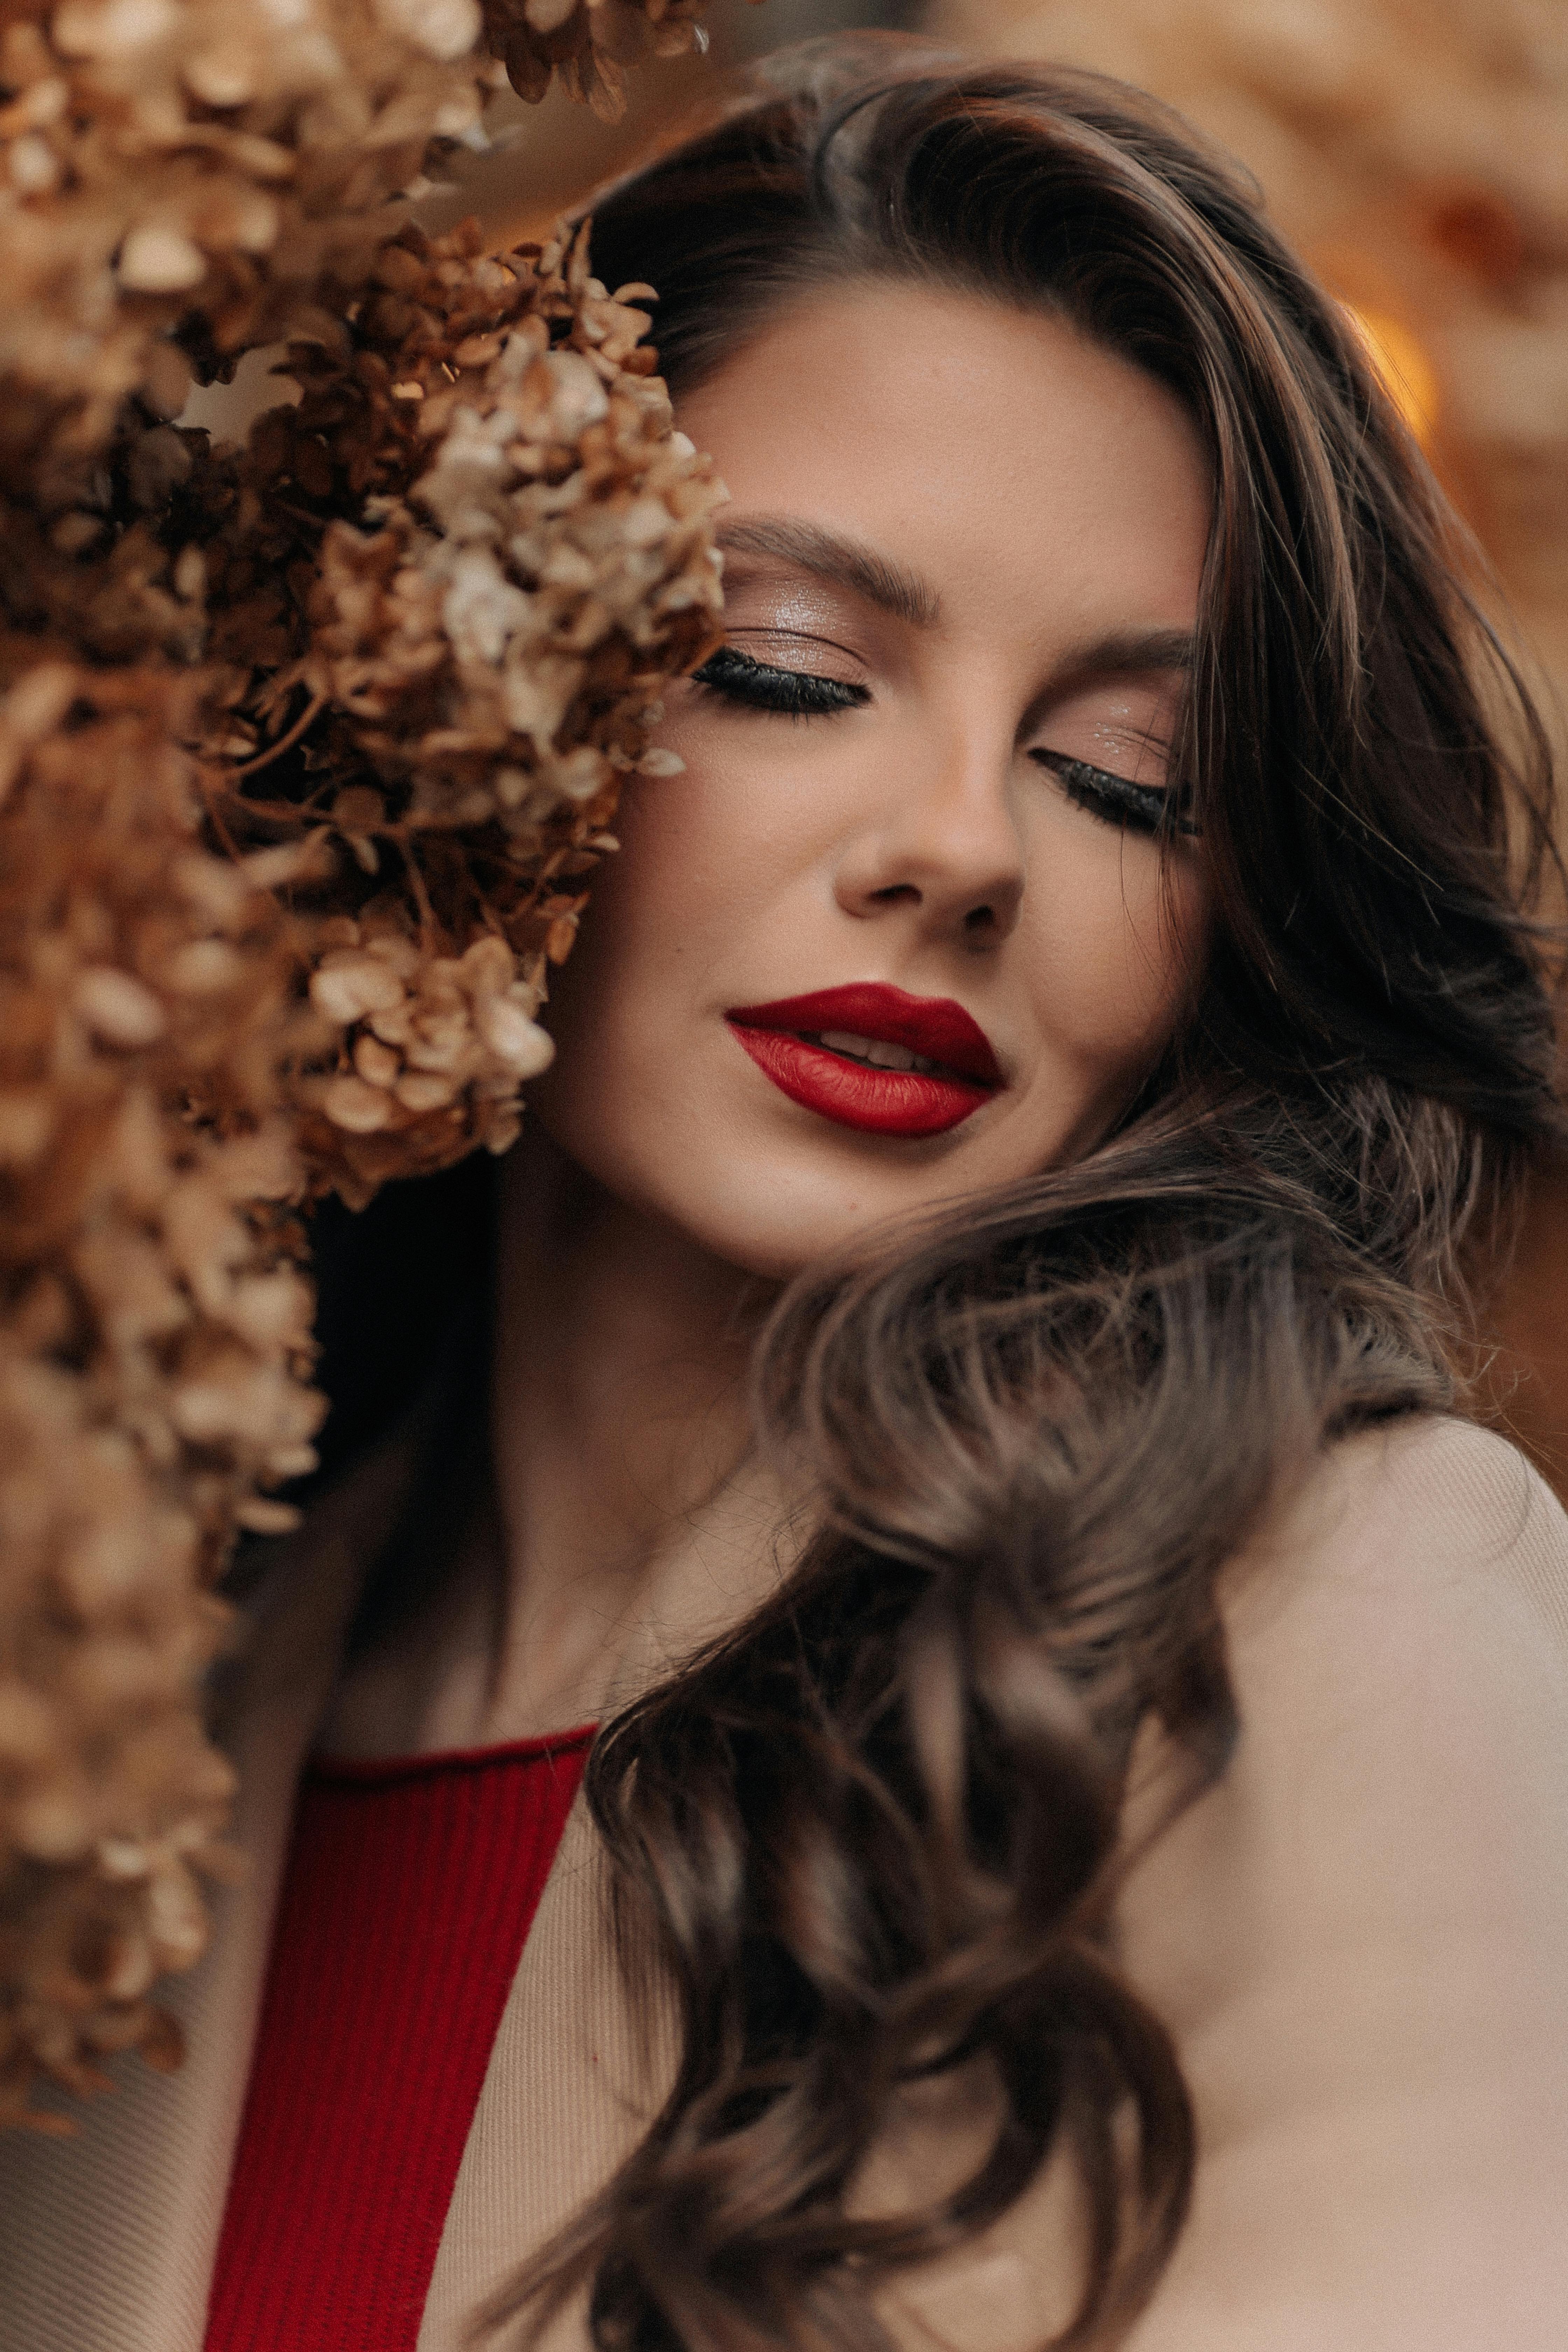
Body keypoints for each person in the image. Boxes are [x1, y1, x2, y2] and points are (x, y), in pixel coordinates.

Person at [5, 36, 1568, 2352]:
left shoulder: (1345, 1626)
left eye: (1131, 783)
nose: (956, 846)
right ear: (462, 702)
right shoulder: (130, 1707)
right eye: (785, 664)